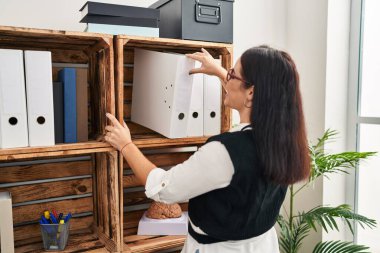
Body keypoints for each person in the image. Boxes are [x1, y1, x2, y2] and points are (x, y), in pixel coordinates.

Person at [104, 45, 311, 253]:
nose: (228, 77)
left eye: (232, 74)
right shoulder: (285, 139)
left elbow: (164, 189)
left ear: (251, 92)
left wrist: (126, 145)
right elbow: (252, 99)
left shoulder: (223, 152)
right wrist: (220, 72)